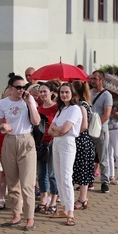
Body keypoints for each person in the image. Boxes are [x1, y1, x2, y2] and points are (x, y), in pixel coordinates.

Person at [0, 74, 40, 231]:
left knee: (27, 183)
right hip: (9, 140)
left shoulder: (28, 100)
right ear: (11, 88)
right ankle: (16, 215)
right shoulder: (3, 103)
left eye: (23, 87)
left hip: (26, 140)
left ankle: (30, 218)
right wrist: (2, 127)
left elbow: (36, 121)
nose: (22, 90)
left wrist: (29, 103)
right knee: (12, 181)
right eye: (18, 87)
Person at [48, 83, 83, 226]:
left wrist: (58, 129)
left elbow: (64, 129)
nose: (64, 95)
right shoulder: (61, 110)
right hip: (57, 142)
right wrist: (58, 129)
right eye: (62, 92)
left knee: (66, 178)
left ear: (72, 93)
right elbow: (51, 130)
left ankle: (71, 213)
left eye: (66, 92)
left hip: (67, 143)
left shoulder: (75, 109)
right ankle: (64, 208)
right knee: (59, 176)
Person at [35, 82, 58, 215]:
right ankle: (43, 199)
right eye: (41, 92)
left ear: (51, 93)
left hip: (52, 144)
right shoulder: (38, 108)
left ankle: (53, 200)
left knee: (52, 174)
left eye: (45, 91)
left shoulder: (57, 108)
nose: (43, 94)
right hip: (40, 144)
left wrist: (54, 140)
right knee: (41, 173)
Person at [72, 81, 95, 208]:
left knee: (83, 170)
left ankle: (82, 198)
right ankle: (81, 198)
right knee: (79, 170)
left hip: (82, 140)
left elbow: (84, 126)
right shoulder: (80, 104)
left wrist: (70, 131)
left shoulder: (82, 105)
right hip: (81, 140)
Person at [90, 70, 113, 193]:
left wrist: (96, 127)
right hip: (89, 130)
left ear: (101, 80)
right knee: (89, 157)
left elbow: (107, 114)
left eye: (95, 79)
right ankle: (89, 180)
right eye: (91, 78)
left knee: (103, 157)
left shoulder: (107, 95)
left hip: (101, 130)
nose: (92, 81)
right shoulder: (89, 93)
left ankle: (105, 181)